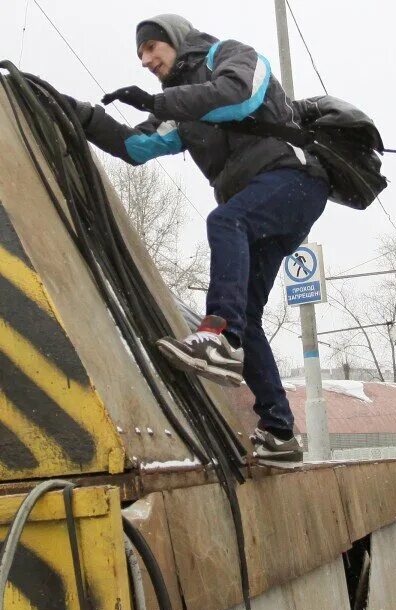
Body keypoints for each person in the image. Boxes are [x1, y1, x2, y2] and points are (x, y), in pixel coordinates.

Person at [62, 14, 329, 461]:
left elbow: (238, 96)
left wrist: (158, 101)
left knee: (224, 222)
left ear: (175, 39)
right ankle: (279, 433)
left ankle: (218, 336)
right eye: (140, 55)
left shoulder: (230, 55)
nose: (146, 60)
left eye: (152, 47)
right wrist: (80, 114)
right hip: (260, 206)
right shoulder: (180, 110)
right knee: (249, 314)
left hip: (293, 180)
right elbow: (136, 147)